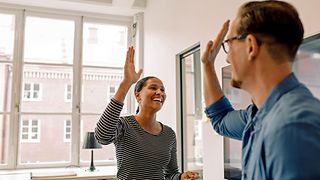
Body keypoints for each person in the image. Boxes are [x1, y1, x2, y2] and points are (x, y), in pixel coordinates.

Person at [201, 1, 320, 180]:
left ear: (251, 46)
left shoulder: (292, 126)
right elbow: (221, 119)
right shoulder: (258, 115)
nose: (227, 58)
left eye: (229, 44)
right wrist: (207, 65)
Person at [95, 47, 198, 180]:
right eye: (153, 88)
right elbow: (102, 136)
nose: (160, 92)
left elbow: (171, 174)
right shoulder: (124, 125)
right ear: (138, 95)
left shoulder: (169, 134)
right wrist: (126, 83)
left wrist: (181, 177)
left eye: (162, 89)